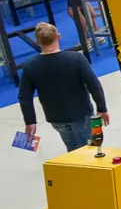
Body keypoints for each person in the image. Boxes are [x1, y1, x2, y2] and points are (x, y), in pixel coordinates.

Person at [17, 22, 106, 152]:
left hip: (56, 117)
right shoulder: (76, 59)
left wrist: (30, 121)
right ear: (58, 37)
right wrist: (102, 108)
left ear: (37, 42)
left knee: (71, 147)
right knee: (89, 149)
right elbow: (94, 85)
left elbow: (24, 96)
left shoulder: (30, 66)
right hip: (81, 114)